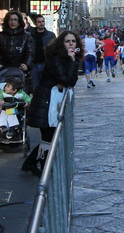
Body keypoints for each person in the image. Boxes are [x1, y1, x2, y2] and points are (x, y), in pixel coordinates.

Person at [23, 31, 83, 177]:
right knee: (48, 138)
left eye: (73, 41)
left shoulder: (68, 59)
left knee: (50, 137)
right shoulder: (56, 59)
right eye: (67, 41)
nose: (71, 44)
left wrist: (73, 61)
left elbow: (71, 81)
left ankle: (31, 164)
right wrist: (73, 62)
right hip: (47, 102)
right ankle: (44, 170)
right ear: (61, 43)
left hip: (51, 101)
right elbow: (67, 80)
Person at [0, 10, 34, 84]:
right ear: (7, 21)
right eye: (11, 20)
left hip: (21, 69)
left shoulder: (26, 36)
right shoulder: (1, 36)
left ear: (19, 22)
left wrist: (27, 64)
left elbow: (30, 52)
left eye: (15, 20)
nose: (13, 22)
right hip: (3, 69)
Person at [30, 14, 56, 89]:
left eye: (43, 21)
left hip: (46, 64)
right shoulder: (30, 34)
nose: (41, 23)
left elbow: (55, 50)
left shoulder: (50, 35)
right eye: (39, 22)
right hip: (34, 65)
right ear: (35, 23)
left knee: (46, 86)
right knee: (35, 87)